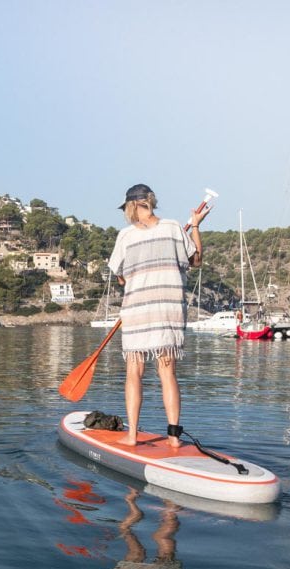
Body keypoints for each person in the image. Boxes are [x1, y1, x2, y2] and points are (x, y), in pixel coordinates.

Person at [108, 184, 208, 448]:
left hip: (138, 310)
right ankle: (174, 438)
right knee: (167, 372)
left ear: (132, 207)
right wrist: (195, 226)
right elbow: (196, 260)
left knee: (134, 371)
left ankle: (132, 436)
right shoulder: (175, 228)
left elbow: (120, 277)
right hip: (169, 310)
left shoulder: (125, 237)